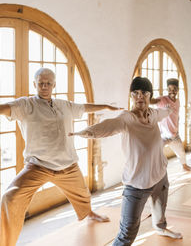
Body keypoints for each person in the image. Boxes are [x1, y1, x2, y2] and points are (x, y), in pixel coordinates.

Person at [0, 68, 122, 246]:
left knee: (82, 195)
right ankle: (4, 244)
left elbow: (84, 107)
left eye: (48, 83)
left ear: (54, 85)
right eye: (41, 83)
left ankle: (89, 214)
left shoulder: (64, 105)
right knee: (10, 198)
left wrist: (106, 106)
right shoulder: (25, 105)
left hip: (68, 165)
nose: (44, 86)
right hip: (38, 166)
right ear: (35, 84)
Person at [69, 77, 182, 246]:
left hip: (160, 174)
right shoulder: (127, 118)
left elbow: (164, 112)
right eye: (135, 93)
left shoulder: (153, 114)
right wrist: (87, 132)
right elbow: (110, 125)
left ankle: (160, 227)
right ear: (131, 96)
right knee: (127, 233)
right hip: (137, 183)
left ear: (149, 96)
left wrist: (169, 109)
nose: (139, 97)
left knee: (160, 207)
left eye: (144, 93)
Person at [150, 78, 191, 171]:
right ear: (167, 90)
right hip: (163, 135)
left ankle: (184, 166)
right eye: (169, 89)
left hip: (174, 134)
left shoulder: (178, 102)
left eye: (174, 89)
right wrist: (145, 98)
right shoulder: (163, 99)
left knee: (181, 153)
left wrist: (177, 129)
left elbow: (176, 116)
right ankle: (153, 170)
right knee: (155, 152)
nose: (171, 91)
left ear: (177, 90)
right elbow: (153, 101)